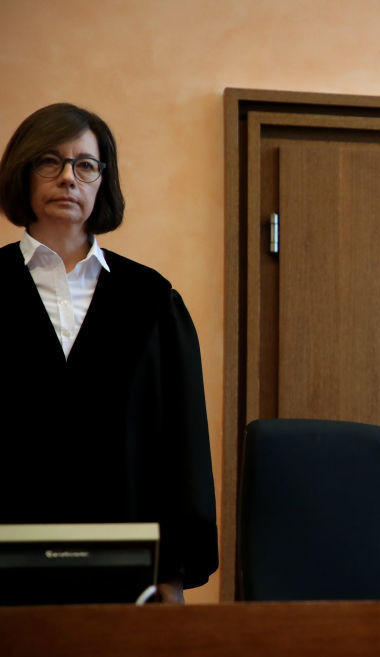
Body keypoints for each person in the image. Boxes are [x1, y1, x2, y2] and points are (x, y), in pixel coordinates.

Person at [0, 103, 218, 602]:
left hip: (126, 571)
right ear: (23, 173)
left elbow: (181, 444)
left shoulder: (152, 300)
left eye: (85, 165)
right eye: (49, 161)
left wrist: (173, 573)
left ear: (103, 181)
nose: (68, 178)